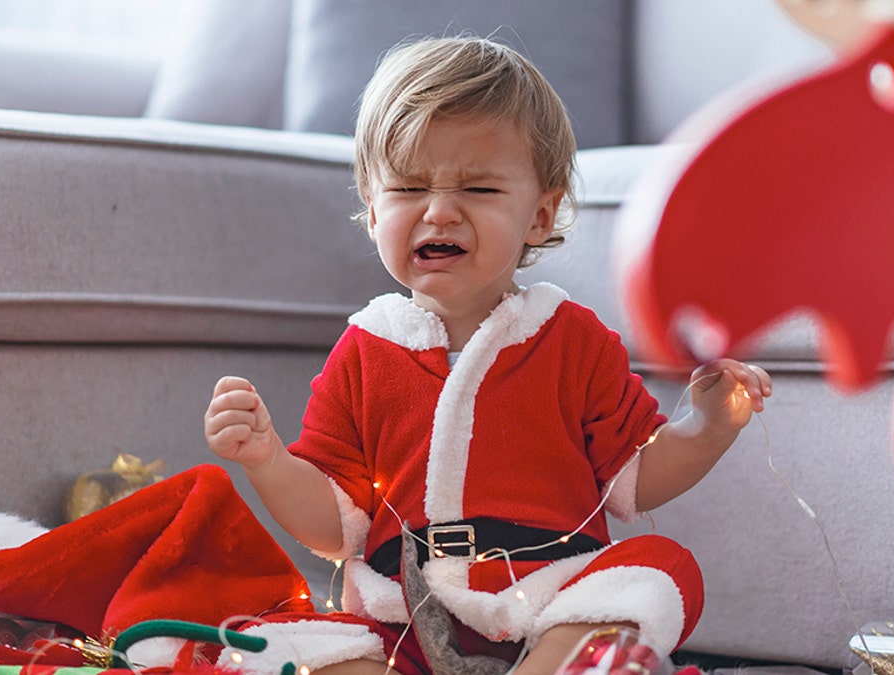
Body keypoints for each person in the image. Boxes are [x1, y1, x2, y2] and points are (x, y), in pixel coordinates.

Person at [204, 35, 772, 675]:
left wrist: (708, 426)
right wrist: (267, 458)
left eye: (478, 189)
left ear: (540, 215)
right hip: (405, 622)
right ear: (371, 209)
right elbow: (337, 528)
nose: (440, 212)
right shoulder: (364, 352)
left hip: (551, 604)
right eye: (410, 187)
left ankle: (551, 666)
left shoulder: (572, 338)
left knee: (662, 569)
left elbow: (637, 479)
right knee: (279, 642)